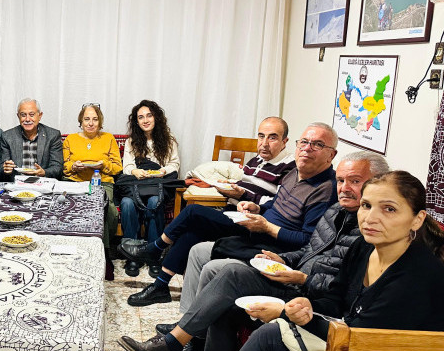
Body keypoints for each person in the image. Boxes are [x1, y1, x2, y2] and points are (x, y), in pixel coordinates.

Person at [150, 171, 444, 351]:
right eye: (367, 206)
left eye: (389, 209)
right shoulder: (364, 247)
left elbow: (358, 339)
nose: (371, 217)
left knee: (273, 333)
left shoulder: (419, 273)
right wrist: (307, 305)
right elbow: (336, 299)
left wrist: (291, 316)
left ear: (417, 219)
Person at [118, 152, 388, 351]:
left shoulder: (369, 230)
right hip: (289, 270)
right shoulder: (335, 210)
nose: (344, 188)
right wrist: (283, 261)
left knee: (225, 265)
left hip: (307, 293)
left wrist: (300, 277)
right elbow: (309, 250)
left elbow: (346, 288)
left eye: (354, 181)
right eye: (341, 181)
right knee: (198, 241)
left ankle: (175, 340)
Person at [120, 123, 339, 307]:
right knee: (192, 234)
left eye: (317, 145)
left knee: (193, 212)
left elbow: (308, 241)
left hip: (266, 238)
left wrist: (261, 217)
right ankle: (160, 285)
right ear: (297, 144)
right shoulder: (292, 172)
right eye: (304, 143)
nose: (307, 149)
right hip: (249, 218)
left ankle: (154, 249)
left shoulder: (318, 185)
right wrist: (257, 208)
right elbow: (275, 203)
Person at [119, 100, 180, 276]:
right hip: (137, 184)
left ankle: (153, 254)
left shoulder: (169, 141)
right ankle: (133, 255)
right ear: (136, 121)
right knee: (127, 203)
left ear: (156, 117)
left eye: (149, 115)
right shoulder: (132, 142)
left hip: (158, 185)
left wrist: (162, 171)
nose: (145, 120)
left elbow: (174, 165)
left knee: (155, 201)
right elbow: (127, 167)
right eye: (141, 117)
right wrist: (136, 171)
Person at [62, 103, 123, 278]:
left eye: (95, 119)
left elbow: (117, 168)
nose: (90, 123)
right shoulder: (70, 140)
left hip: (102, 182)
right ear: (81, 121)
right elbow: (65, 167)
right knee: (70, 208)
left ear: (100, 121)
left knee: (109, 210)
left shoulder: (108, 138)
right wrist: (73, 166)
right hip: (75, 182)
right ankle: (76, 252)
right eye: (87, 119)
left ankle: (105, 253)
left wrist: (103, 165)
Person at [0, 98, 63, 179]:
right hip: (17, 184)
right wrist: (5, 168)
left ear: (40, 116)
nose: (27, 119)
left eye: (31, 115)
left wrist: (44, 172)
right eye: (23, 115)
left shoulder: (53, 135)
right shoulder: (7, 136)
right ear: (18, 116)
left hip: (43, 183)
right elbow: (1, 168)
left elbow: (58, 168)